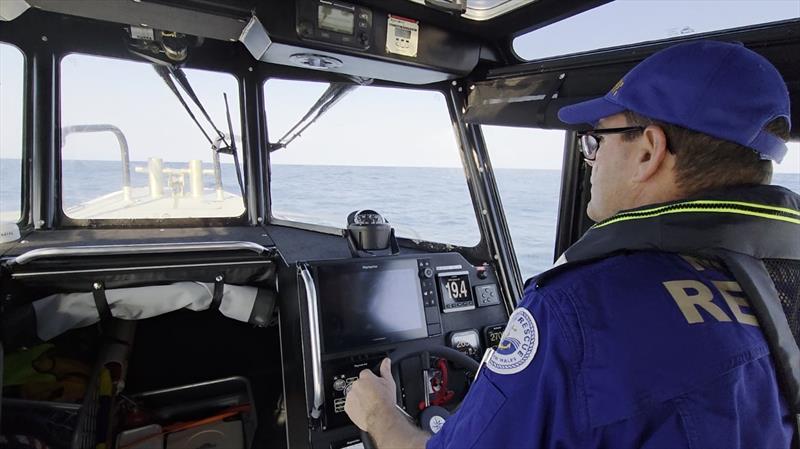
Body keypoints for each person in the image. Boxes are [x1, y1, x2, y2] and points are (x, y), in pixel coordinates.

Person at [345, 40, 798, 448]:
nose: (592, 160)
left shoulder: (579, 308)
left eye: (596, 141)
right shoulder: (784, 289)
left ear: (648, 152)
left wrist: (380, 416)